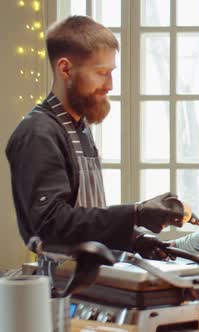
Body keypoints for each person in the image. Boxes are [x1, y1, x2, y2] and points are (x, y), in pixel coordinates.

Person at [5, 16, 183, 272]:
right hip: (60, 283)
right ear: (65, 69)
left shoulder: (79, 129)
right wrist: (135, 213)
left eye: (111, 73)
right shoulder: (38, 133)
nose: (109, 85)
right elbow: (52, 224)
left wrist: (135, 239)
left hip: (90, 275)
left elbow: (86, 218)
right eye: (101, 73)